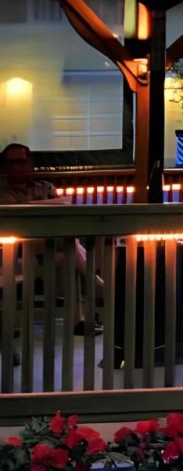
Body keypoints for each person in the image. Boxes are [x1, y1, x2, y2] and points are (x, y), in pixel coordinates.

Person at [0, 143, 102, 335]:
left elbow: (61, 215)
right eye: (11, 163)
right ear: (3, 166)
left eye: (21, 162)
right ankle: (97, 285)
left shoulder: (45, 188)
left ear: (30, 164)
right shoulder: (2, 190)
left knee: (68, 253)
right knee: (68, 248)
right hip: (13, 254)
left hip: (48, 250)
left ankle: (79, 317)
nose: (16, 168)